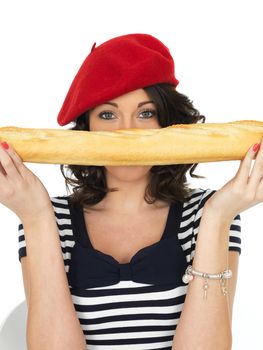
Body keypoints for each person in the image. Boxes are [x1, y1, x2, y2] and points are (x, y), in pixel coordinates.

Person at [0, 33, 262, 350]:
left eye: (146, 113)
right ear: (87, 128)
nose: (127, 130)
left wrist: (219, 217)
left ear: (168, 123)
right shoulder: (46, 216)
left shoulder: (208, 212)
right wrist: (36, 217)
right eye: (107, 115)